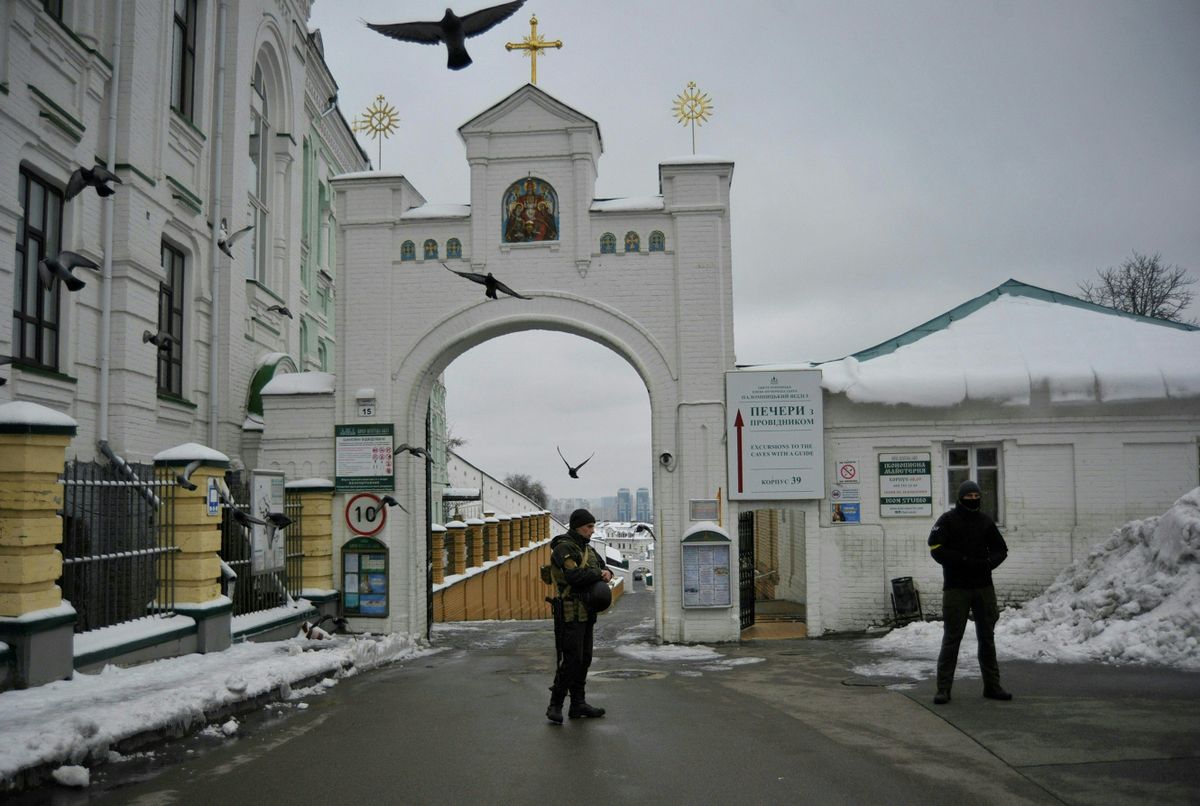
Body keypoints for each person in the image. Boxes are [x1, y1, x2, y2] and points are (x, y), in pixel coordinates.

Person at [928, 479, 1012, 704]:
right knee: (952, 638)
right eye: (969, 497)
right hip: (956, 588)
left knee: (987, 638)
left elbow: (1001, 549)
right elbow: (935, 548)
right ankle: (943, 689)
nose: (973, 501)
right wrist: (961, 561)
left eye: (976, 497)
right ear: (960, 498)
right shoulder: (947, 520)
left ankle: (992, 686)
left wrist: (987, 564)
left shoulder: (985, 522)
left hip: (983, 587)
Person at [545, 508, 612, 724]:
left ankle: (578, 704)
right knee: (571, 659)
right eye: (588, 527)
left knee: (585, 659)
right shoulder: (563, 547)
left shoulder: (588, 550)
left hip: (586, 612)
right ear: (577, 526)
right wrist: (597, 574)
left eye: (593, 526)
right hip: (569, 612)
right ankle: (555, 705)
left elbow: (604, 567)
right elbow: (573, 576)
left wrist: (608, 573)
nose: (592, 531)